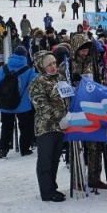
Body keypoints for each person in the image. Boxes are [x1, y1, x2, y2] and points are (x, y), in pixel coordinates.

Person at [28, 49, 69, 202]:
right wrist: (59, 117)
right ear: (41, 66)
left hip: (60, 127)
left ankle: (52, 187)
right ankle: (47, 191)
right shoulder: (37, 83)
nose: (53, 67)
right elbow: (41, 106)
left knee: (55, 159)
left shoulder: (60, 78)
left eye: (54, 63)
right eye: (49, 64)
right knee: (45, 160)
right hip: (45, 127)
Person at [0, 46, 37, 159]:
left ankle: (3, 149)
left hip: (5, 104)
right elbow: (34, 85)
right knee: (25, 127)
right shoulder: (29, 70)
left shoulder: (3, 69)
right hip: (23, 105)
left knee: (6, 127)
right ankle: (25, 149)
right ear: (25, 56)